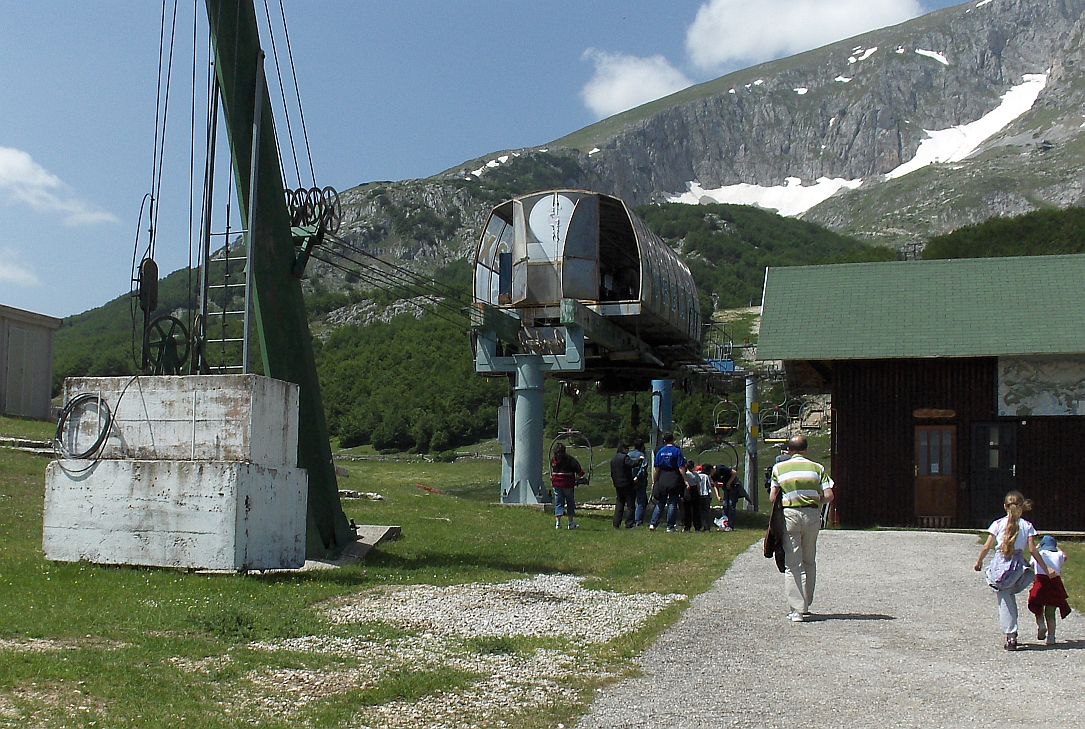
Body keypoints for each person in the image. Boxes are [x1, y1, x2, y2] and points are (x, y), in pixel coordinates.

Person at [973, 490, 1050, 650]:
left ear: (1005, 506)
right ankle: (1014, 631)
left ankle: (1011, 635)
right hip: (1017, 569)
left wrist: (979, 561)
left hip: (1001, 567)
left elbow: (987, 546)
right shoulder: (1027, 526)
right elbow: (1032, 550)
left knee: (1005, 599)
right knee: (1009, 596)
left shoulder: (998, 524)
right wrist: (1045, 568)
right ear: (1021, 506)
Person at [769, 434, 834, 622]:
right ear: (806, 450)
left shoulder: (779, 468)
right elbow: (829, 495)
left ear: (789, 450)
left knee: (792, 563)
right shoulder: (817, 468)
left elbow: (773, 497)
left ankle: (796, 610)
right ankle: (806, 603)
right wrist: (815, 498)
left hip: (790, 514)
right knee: (809, 560)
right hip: (812, 514)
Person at [1026, 534, 1070, 646]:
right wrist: (1057, 548)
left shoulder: (1038, 554)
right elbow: (1065, 556)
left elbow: (1031, 565)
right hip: (1054, 584)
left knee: (1037, 607)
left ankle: (1041, 625)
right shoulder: (1059, 554)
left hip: (1040, 582)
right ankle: (1051, 637)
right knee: (1050, 612)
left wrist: (1037, 546)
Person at [649, 431, 685, 533]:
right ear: (672, 439)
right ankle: (670, 526)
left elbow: (656, 469)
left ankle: (653, 523)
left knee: (660, 502)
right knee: (672, 502)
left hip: (662, 477)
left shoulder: (660, 452)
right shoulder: (677, 451)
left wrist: (655, 480)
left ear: (664, 440)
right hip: (673, 477)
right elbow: (681, 467)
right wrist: (685, 479)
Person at [550, 443, 585, 530]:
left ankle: (558, 523)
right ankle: (571, 523)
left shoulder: (553, 460)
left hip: (557, 485)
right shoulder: (569, 459)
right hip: (568, 484)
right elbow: (579, 471)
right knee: (570, 503)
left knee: (558, 503)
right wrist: (582, 474)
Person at [609, 442, 636, 529]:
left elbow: (612, 473)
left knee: (620, 504)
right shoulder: (625, 457)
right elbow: (632, 464)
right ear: (623, 449)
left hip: (618, 484)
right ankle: (629, 523)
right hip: (627, 484)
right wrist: (640, 460)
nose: (628, 450)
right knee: (630, 505)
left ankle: (616, 523)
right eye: (627, 448)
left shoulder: (613, 459)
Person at [712, 463, 740, 529]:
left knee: (731, 505)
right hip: (726, 488)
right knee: (725, 505)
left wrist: (729, 483)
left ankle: (731, 525)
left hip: (733, 486)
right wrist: (718, 496)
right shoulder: (713, 475)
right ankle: (725, 523)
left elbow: (734, 473)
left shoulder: (721, 468)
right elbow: (715, 485)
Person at [628, 439, 649, 527]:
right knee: (641, 501)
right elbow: (643, 468)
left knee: (631, 500)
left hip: (629, 480)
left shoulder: (629, 455)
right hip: (640, 481)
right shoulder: (642, 455)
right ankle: (638, 521)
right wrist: (637, 477)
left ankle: (631, 519)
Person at [680, 461, 704, 532]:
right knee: (696, 510)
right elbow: (698, 485)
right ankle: (697, 527)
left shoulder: (685, 475)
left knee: (687, 510)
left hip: (687, 491)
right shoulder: (695, 474)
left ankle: (687, 526)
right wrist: (699, 493)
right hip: (694, 491)